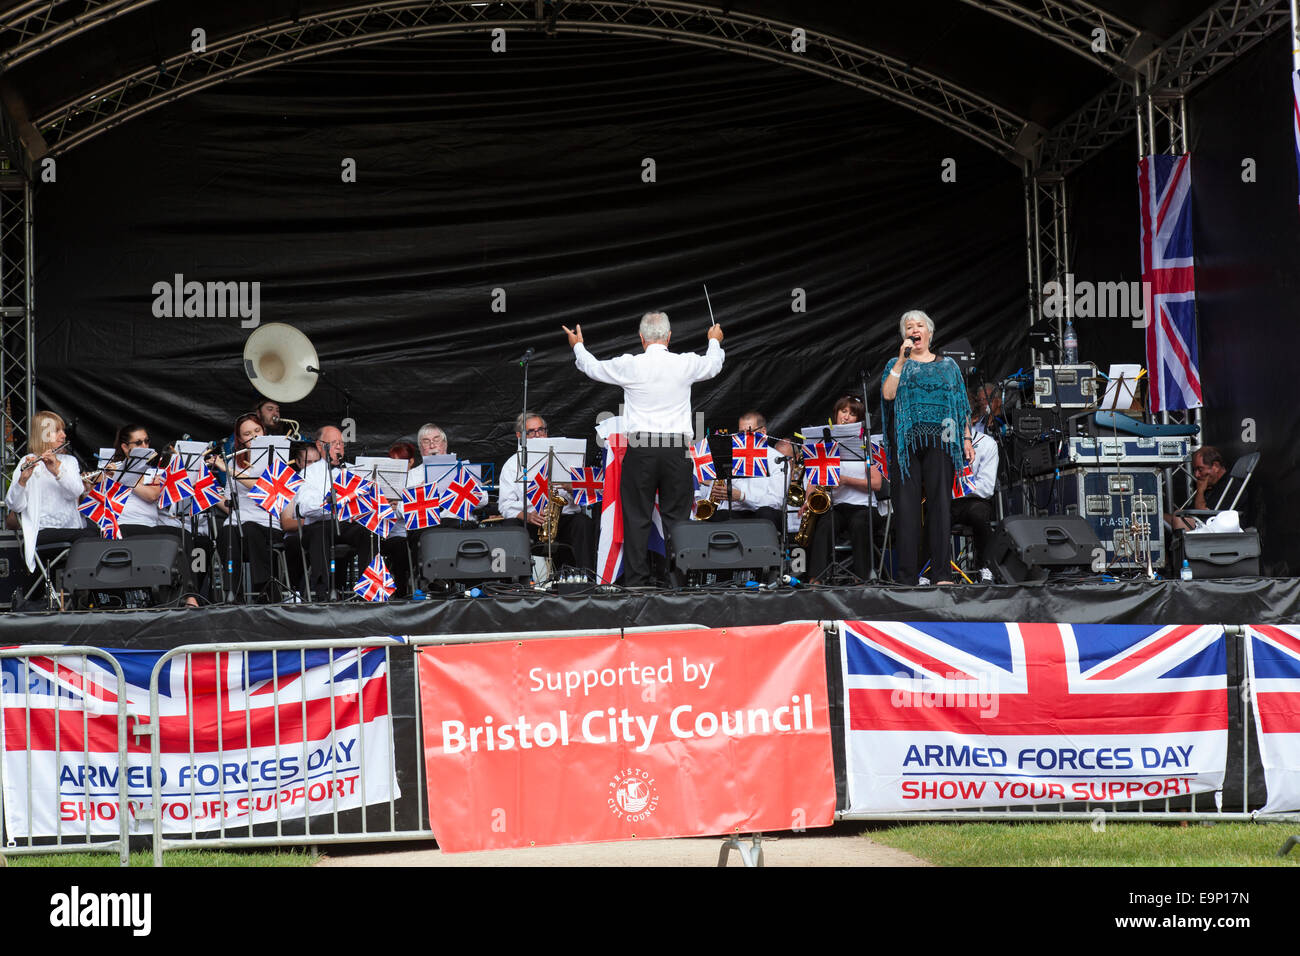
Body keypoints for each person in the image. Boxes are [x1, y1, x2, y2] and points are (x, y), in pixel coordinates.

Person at [564, 311, 725, 587]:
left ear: (641, 339)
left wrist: (577, 345)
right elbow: (713, 365)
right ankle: (678, 582)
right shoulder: (684, 363)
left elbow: (593, 368)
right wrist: (714, 340)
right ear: (669, 337)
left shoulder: (632, 365)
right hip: (675, 450)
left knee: (636, 517)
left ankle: (637, 583)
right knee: (677, 519)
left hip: (641, 449)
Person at [881, 309, 973, 586]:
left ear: (930, 333)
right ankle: (907, 576)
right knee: (906, 509)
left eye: (919, 325)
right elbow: (887, 394)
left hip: (942, 440)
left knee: (940, 506)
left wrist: (967, 438)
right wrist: (900, 361)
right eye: (909, 327)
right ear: (904, 336)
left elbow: (960, 407)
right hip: (907, 442)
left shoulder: (948, 367)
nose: (914, 329)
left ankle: (942, 574)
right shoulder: (896, 364)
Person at [106, 424, 202, 606]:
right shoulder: (112, 468)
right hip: (123, 526)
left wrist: (123, 478)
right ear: (125, 447)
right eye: (138, 442)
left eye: (147, 441)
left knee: (184, 536)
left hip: (150, 526)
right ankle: (188, 599)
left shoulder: (153, 470)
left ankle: (189, 595)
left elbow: (153, 495)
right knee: (169, 538)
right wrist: (113, 476)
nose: (145, 446)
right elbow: (148, 495)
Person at [4, 410, 96, 596]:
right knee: (87, 536)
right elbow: (15, 506)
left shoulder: (69, 462)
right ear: (43, 434)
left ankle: (82, 593)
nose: (63, 435)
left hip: (73, 529)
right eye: (57, 431)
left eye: (63, 430)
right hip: (41, 532)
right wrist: (23, 480)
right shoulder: (26, 461)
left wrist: (56, 470)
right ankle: (76, 591)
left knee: (94, 534)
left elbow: (76, 491)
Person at [499, 411, 596, 571]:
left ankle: (586, 577)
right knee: (510, 526)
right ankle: (514, 581)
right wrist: (527, 516)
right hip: (531, 522)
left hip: (563, 518)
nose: (537, 435)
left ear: (546, 432)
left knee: (583, 522)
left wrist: (572, 488)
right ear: (519, 436)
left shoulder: (567, 458)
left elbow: (587, 496)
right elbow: (505, 505)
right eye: (531, 432)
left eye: (541, 430)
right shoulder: (512, 465)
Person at [210, 412, 291, 601]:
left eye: (257, 430)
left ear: (264, 431)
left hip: (267, 524)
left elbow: (261, 488)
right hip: (239, 526)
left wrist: (226, 470)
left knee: (250, 528)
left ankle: (266, 590)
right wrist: (208, 492)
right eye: (247, 434)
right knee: (226, 531)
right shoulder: (235, 463)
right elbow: (231, 505)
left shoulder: (276, 461)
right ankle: (233, 593)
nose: (254, 436)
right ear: (239, 439)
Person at [806, 395, 886, 581]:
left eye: (852, 414)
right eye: (843, 411)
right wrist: (809, 499)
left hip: (864, 508)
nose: (846, 417)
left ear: (858, 419)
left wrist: (846, 480)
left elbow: (877, 484)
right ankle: (815, 580)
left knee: (859, 524)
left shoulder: (867, 446)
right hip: (837, 506)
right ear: (836, 414)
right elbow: (814, 478)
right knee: (825, 523)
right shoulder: (825, 445)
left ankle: (862, 579)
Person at [923, 394, 1000, 583]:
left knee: (979, 515)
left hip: (974, 500)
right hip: (947, 498)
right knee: (932, 516)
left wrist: (961, 486)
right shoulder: (942, 442)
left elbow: (987, 486)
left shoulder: (987, 444)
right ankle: (928, 571)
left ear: (972, 419)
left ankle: (985, 567)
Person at [696, 411, 787, 541]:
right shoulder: (730, 456)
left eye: (748, 432)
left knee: (765, 513)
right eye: (740, 433)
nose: (743, 437)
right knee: (718, 517)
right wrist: (717, 490)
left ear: (763, 432)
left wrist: (743, 497)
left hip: (763, 514)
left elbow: (776, 503)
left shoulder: (776, 459)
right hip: (735, 513)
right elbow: (722, 497)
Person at [1166, 445, 1251, 532]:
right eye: (1195, 470)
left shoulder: (1231, 487)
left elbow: (1204, 517)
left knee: (1178, 517)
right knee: (1161, 518)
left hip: (1217, 533)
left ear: (1215, 466)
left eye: (1200, 469)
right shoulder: (1210, 485)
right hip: (1202, 527)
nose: (1196, 475)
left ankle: (1180, 545)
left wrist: (1200, 491)